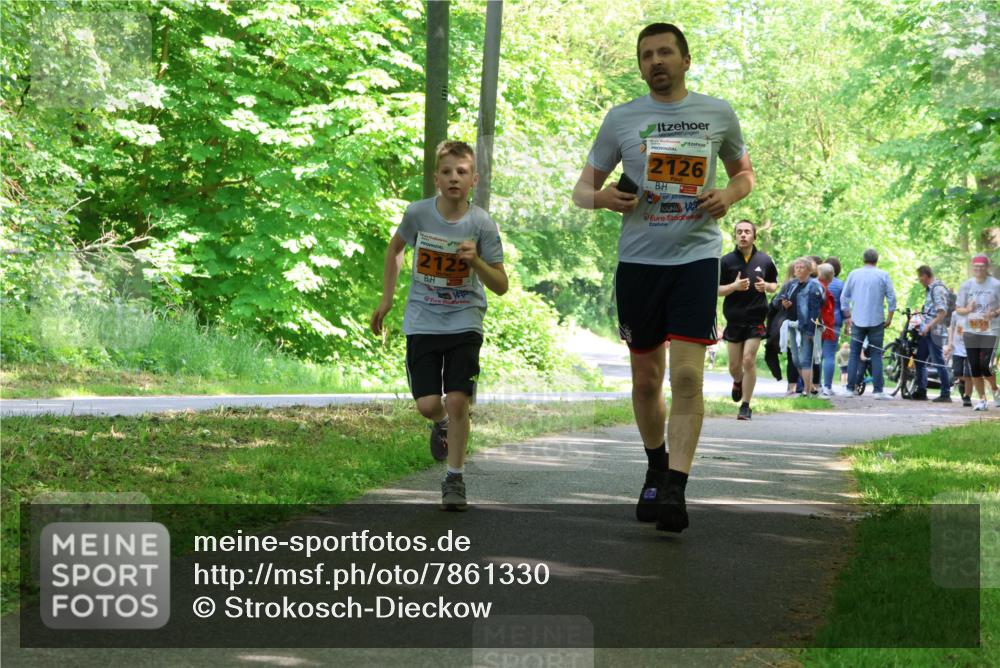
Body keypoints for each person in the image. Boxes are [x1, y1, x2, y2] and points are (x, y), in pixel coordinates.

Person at [572, 22, 755, 532]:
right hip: (639, 264)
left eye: (665, 53)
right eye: (647, 55)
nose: (656, 61)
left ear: (685, 60)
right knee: (647, 379)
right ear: (640, 65)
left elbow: (744, 173)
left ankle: (676, 487)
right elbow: (581, 191)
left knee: (689, 376)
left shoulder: (716, 112)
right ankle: (655, 464)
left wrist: (730, 196)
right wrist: (604, 197)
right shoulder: (622, 119)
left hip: (695, 260)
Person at [370, 140, 508, 510]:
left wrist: (475, 261)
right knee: (430, 405)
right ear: (436, 178)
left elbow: (501, 285)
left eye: (461, 172)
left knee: (458, 398)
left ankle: (455, 478)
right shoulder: (417, 214)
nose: (453, 178)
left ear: (473, 180)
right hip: (423, 321)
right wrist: (386, 299)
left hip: (465, 321)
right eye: (446, 172)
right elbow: (395, 249)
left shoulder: (481, 224)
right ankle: (441, 422)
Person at [718, 219, 778, 420]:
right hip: (734, 320)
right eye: (739, 232)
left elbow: (774, 285)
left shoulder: (765, 260)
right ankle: (737, 381)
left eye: (747, 232)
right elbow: (716, 290)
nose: (743, 235)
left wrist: (766, 287)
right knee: (734, 366)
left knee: (748, 359)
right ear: (735, 236)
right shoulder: (726, 262)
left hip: (756, 318)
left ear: (754, 236)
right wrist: (733, 287)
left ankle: (745, 405)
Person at [840, 248, 896, 399]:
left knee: (853, 355)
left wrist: (847, 316)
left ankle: (850, 389)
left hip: (857, 319)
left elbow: (844, 297)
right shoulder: (883, 275)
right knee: (877, 355)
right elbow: (891, 298)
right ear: (877, 260)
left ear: (863, 259)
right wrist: (890, 317)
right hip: (877, 320)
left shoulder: (854, 274)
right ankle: (878, 390)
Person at [955, 254, 1000, 411]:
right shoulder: (966, 286)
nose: (979, 269)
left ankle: (995, 389)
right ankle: (982, 400)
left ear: (987, 268)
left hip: (990, 330)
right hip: (971, 330)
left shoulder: (995, 285)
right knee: (974, 366)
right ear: (972, 268)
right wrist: (967, 309)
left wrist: (994, 313)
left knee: (985, 365)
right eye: (976, 267)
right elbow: (958, 309)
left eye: (982, 266)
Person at [912, 265, 952, 402]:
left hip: (935, 332)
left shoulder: (937, 289)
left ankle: (946, 393)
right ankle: (921, 391)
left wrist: (928, 326)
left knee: (938, 361)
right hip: (927, 331)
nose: (919, 280)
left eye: (920, 277)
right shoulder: (930, 290)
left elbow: (942, 313)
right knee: (919, 360)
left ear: (925, 275)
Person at [784, 257, 824, 396]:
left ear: (809, 270)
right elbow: (780, 300)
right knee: (796, 359)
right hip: (793, 326)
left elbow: (816, 309)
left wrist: (811, 330)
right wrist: (785, 304)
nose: (798, 269)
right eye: (796, 267)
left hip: (807, 327)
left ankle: (806, 391)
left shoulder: (814, 286)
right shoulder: (792, 285)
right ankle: (810, 386)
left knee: (806, 359)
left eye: (802, 267)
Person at [816, 263, 839, 397]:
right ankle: (826, 386)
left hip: (820, 324)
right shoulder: (832, 287)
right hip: (826, 324)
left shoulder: (812, 285)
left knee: (817, 355)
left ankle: (816, 385)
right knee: (828, 355)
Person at [945, 309, 973, 407]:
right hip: (958, 348)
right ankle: (962, 382)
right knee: (957, 372)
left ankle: (967, 397)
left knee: (969, 374)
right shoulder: (955, 313)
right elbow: (951, 328)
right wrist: (949, 344)